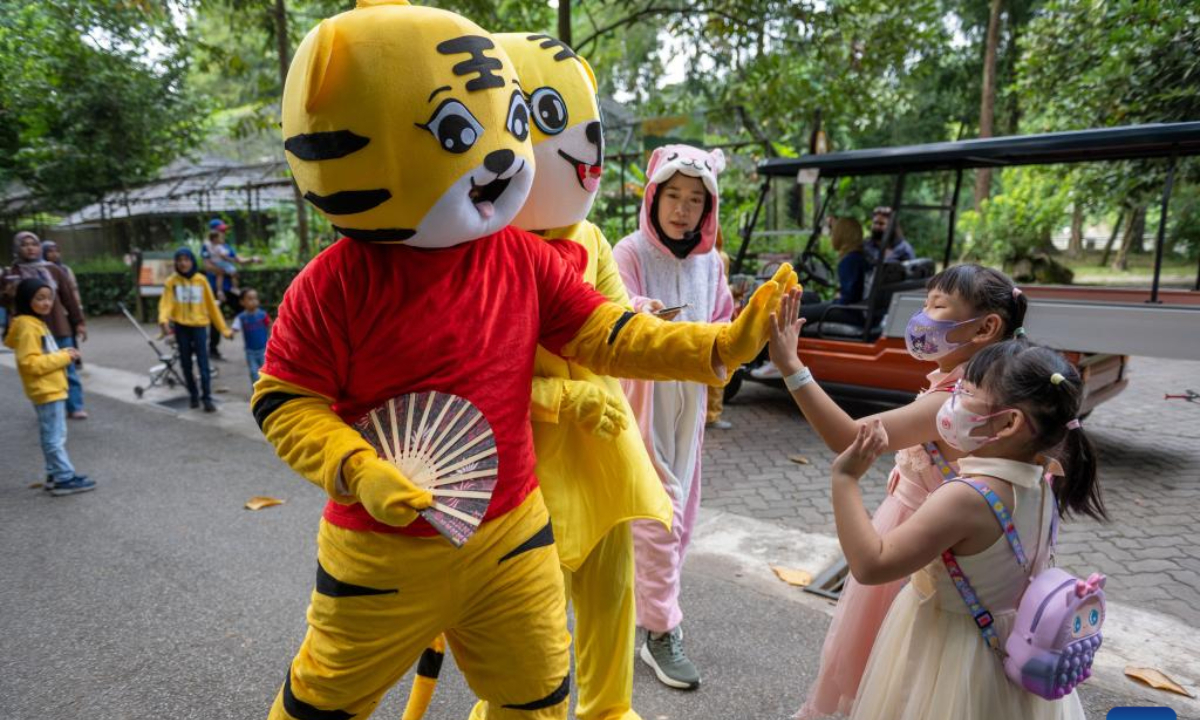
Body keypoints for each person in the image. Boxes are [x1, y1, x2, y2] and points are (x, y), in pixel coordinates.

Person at [251, 5, 796, 719]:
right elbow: (284, 400)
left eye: (510, 123)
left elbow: (609, 332)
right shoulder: (333, 284)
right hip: (382, 560)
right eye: (457, 131)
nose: (506, 156)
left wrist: (719, 346)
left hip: (513, 539)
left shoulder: (519, 257)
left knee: (536, 699)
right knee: (324, 704)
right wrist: (355, 468)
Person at [767, 263, 1030, 718]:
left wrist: (792, 366)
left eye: (937, 306)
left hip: (915, 547)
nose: (923, 317)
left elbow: (850, 438)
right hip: (932, 537)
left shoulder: (960, 402)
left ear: (986, 327)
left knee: (883, 669)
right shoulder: (983, 384)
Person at [825, 339, 1104, 720]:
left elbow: (872, 564)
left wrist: (845, 479)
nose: (953, 400)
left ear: (1010, 422)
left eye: (966, 392)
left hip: (949, 653)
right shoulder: (1043, 479)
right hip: (1003, 647)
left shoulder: (965, 498)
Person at [613, 143, 734, 691]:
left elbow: (723, 322)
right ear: (654, 196)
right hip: (641, 397)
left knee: (680, 511)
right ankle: (661, 630)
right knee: (658, 514)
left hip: (690, 401)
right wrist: (643, 314)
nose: (682, 209)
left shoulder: (711, 263)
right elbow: (609, 309)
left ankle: (647, 614)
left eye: (694, 200)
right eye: (673, 197)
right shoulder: (629, 251)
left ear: (707, 209)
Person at [4, 278, 96, 496]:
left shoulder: (34, 322)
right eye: (40, 298)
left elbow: (38, 357)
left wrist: (63, 355)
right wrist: (64, 357)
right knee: (54, 437)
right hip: (46, 389)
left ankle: (55, 474)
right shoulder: (28, 326)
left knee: (54, 434)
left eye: (49, 298)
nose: (46, 303)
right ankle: (64, 478)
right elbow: (30, 363)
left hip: (49, 387)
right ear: (27, 300)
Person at [751, 217, 869, 380]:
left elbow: (848, 297)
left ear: (842, 235)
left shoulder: (849, 260)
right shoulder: (858, 256)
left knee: (792, 311)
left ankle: (778, 362)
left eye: (834, 232)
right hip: (855, 308)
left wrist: (837, 297)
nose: (832, 236)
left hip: (849, 310)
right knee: (809, 297)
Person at [3, 231, 89, 419]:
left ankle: (75, 406)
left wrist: (79, 322)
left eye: (33, 244)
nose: (30, 248)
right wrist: (7, 293)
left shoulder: (53, 270)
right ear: (17, 248)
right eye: (24, 244)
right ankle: (49, 405)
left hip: (58, 325)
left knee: (69, 368)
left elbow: (68, 298)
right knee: (40, 368)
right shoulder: (12, 273)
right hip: (31, 330)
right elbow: (5, 303)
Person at [159, 247, 231, 412]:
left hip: (199, 327)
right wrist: (163, 319)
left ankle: (207, 398)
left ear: (192, 261)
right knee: (185, 364)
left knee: (203, 363)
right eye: (180, 260)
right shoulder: (172, 282)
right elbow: (166, 303)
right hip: (181, 327)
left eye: (186, 259)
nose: (183, 263)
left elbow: (212, 307)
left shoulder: (201, 280)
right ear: (176, 262)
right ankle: (193, 395)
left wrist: (224, 329)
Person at [202, 218, 261, 360]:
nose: (224, 232)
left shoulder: (226, 246)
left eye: (224, 230)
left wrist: (252, 259)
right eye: (221, 230)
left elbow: (238, 260)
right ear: (213, 232)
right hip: (216, 289)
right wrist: (223, 271)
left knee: (247, 312)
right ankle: (213, 350)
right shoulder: (207, 246)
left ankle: (256, 347)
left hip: (231, 289)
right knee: (216, 319)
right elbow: (207, 266)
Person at [231, 288, 272, 387]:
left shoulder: (262, 315)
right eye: (250, 298)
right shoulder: (241, 317)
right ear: (242, 302)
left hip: (264, 350)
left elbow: (271, 325)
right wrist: (231, 333)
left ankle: (267, 391)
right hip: (250, 352)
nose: (254, 301)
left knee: (266, 373)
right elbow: (234, 328)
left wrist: (272, 338)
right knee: (254, 373)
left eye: (255, 298)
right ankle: (257, 392)